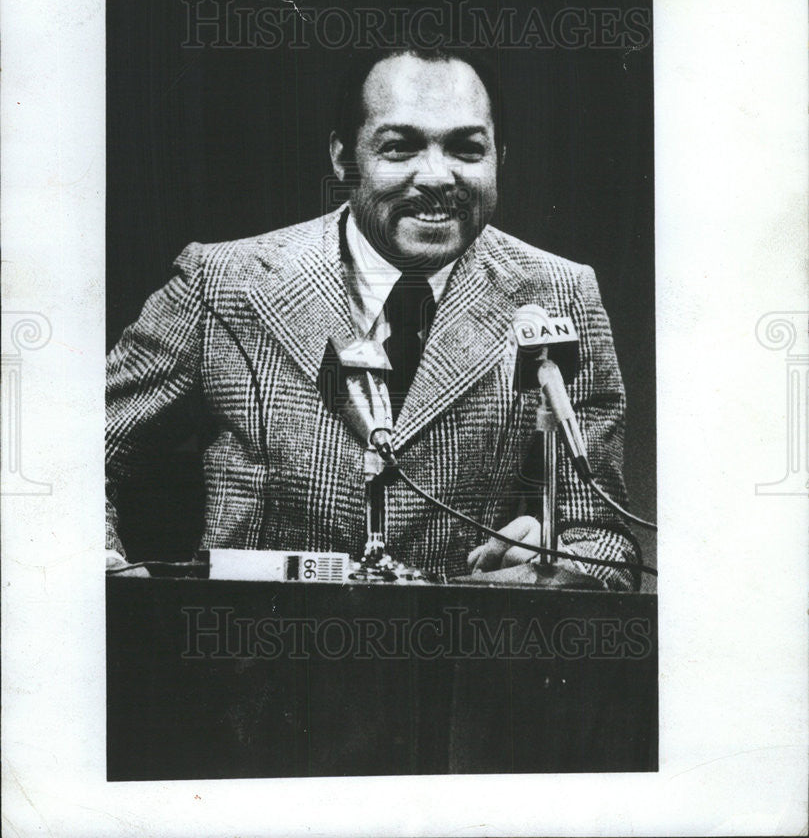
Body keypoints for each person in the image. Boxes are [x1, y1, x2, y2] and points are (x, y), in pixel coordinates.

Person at [106, 46, 641, 589]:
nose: (436, 176)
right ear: (344, 158)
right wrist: (107, 579)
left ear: (499, 156)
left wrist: (559, 570)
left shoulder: (561, 293)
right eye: (400, 147)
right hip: (251, 656)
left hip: (460, 664)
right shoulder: (221, 282)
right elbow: (79, 451)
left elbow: (603, 536)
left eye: (466, 148)